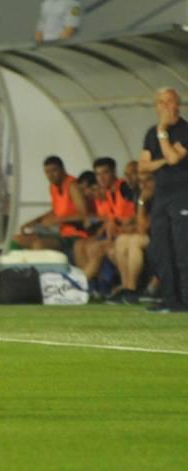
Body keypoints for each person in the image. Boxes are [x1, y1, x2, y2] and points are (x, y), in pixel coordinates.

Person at [138, 87, 188, 313]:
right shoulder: (150, 133)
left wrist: (162, 132)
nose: (166, 106)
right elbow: (142, 166)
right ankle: (169, 298)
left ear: (178, 104)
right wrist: (163, 159)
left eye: (170, 101)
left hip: (183, 195)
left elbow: (174, 158)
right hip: (162, 196)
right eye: (161, 102)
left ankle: (185, 299)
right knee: (162, 248)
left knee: (182, 248)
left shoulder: (184, 130)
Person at [73, 157, 135, 285]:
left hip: (130, 233)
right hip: (118, 234)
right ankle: (91, 284)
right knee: (85, 246)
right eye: (98, 174)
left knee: (97, 248)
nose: (101, 178)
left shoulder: (124, 188)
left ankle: (83, 283)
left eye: (105, 173)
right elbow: (110, 219)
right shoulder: (108, 192)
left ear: (114, 172)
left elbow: (136, 214)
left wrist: (117, 223)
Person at [12, 156, 88, 254]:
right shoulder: (53, 187)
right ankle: (20, 264)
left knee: (39, 245)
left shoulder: (72, 186)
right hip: (58, 231)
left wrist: (58, 220)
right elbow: (55, 211)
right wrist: (34, 221)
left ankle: (38, 264)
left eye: (54, 171)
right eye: (47, 172)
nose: (50, 175)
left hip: (75, 234)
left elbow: (84, 215)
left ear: (63, 169)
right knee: (17, 239)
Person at [110, 171, 154, 304]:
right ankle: (126, 287)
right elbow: (138, 222)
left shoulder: (157, 197)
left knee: (134, 242)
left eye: (147, 181)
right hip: (148, 237)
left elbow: (142, 228)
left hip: (161, 238)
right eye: (141, 182)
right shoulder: (142, 197)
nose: (143, 185)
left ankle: (132, 288)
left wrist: (141, 202)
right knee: (121, 240)